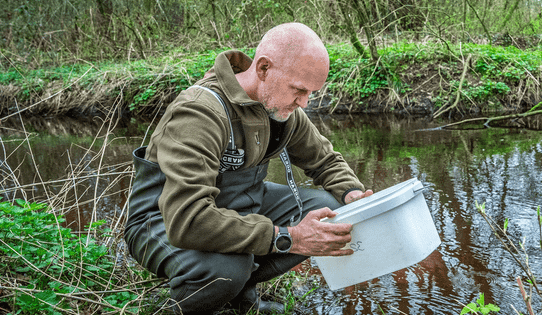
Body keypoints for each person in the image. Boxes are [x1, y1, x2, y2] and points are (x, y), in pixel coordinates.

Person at [123, 22, 373, 314]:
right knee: (228, 267)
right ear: (264, 68)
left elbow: (325, 160)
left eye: (311, 93)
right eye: (299, 90)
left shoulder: (281, 107)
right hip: (163, 221)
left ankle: (239, 299)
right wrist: (289, 236)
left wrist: (352, 194)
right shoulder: (199, 112)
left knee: (329, 209)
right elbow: (188, 220)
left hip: (233, 208)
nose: (304, 103)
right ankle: (184, 306)